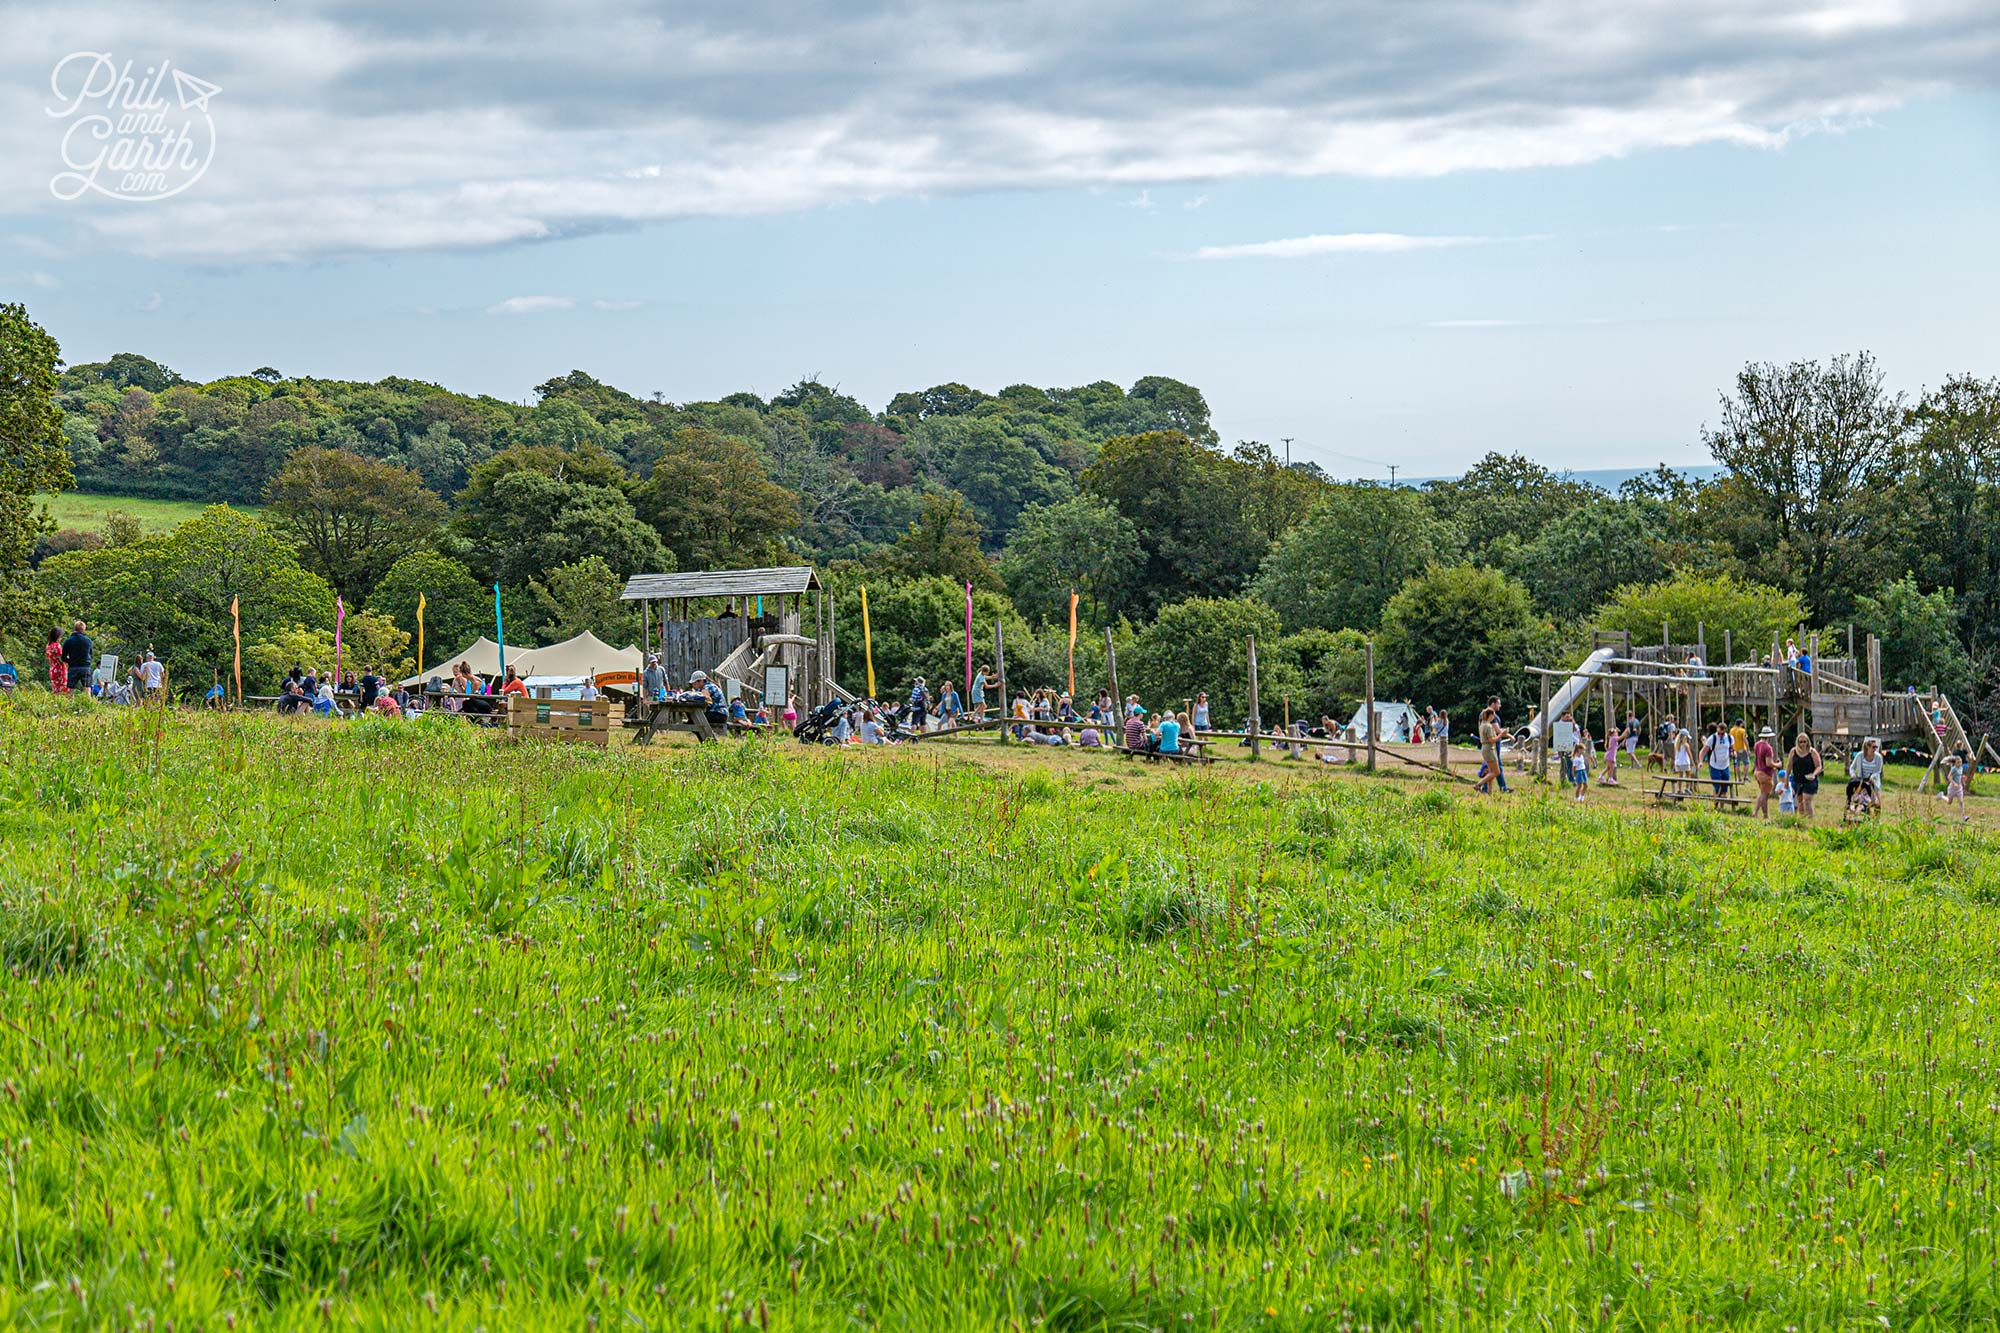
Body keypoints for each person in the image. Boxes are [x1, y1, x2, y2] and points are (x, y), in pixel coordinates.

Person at [1846, 736, 1885, 814]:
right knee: (1860, 796)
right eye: (1873, 747)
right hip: (1861, 780)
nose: (1875, 749)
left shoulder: (1878, 757)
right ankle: (1857, 807)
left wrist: (1872, 777)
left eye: (1876, 747)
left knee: (1877, 803)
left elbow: (1878, 771)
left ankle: (1876, 820)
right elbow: (1852, 768)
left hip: (1873, 781)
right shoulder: (1860, 755)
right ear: (1868, 747)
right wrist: (1853, 775)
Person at [1789, 733, 1823, 819]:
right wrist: (1786, 781)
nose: (1803, 744)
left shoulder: (1812, 752)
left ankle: (1810, 819)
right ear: (1797, 742)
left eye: (1805, 742)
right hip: (1797, 779)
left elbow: (1819, 766)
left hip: (1810, 780)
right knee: (1799, 801)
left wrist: (1814, 774)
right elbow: (1789, 766)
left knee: (1807, 800)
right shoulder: (1793, 751)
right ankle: (1802, 819)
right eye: (1801, 742)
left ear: (1808, 742)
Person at [1751, 726, 1778, 818]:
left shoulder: (1757, 745)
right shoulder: (1768, 748)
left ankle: (1765, 815)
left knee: (1765, 795)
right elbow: (1769, 763)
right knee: (1763, 794)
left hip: (1757, 771)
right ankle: (1755, 811)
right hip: (1766, 773)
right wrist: (1778, 765)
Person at [60, 620, 93, 691]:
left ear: (74, 629)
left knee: (71, 689)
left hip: (73, 667)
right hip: (85, 667)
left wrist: (70, 661)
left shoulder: (68, 641)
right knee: (87, 688)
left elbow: (63, 657)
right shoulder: (88, 640)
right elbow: (90, 653)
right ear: (83, 629)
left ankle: (70, 701)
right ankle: (88, 701)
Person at [1703, 722, 1732, 797]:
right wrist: (1700, 761)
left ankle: (1721, 807)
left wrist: (1733, 753)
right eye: (1718, 733)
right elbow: (1703, 751)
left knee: (1724, 789)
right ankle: (1715, 804)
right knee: (1717, 788)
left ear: (1725, 731)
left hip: (1726, 766)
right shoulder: (1712, 738)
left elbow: (1732, 748)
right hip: (1714, 766)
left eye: (1722, 734)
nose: (1720, 735)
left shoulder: (1729, 738)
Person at [1946, 749, 1970, 822]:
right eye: (1958, 762)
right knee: (1949, 802)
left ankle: (1963, 817)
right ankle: (1941, 796)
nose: (1959, 763)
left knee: (1961, 802)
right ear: (1955, 763)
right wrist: (1954, 783)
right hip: (1952, 788)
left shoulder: (1961, 768)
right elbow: (1949, 777)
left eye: (1960, 762)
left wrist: (1963, 781)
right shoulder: (1953, 769)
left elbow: (1960, 776)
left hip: (1959, 787)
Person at [45, 627, 68, 694]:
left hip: (52, 669)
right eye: (60, 637)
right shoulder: (57, 646)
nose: (61, 638)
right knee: (63, 690)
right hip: (60, 670)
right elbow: (61, 659)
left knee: (55, 690)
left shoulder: (48, 646)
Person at [1569, 735, 1590, 801]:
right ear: (1579, 750)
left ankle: (1582, 797)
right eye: (1583, 750)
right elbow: (1573, 768)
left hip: (1583, 771)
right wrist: (1574, 775)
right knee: (1579, 786)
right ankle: (1576, 798)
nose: (1584, 751)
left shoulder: (1581, 756)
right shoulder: (1576, 759)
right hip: (1579, 772)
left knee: (1586, 785)